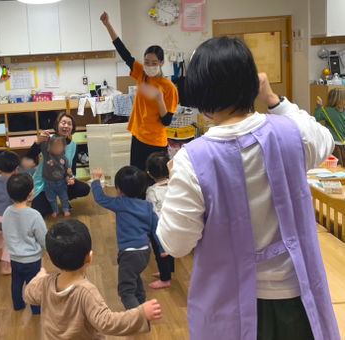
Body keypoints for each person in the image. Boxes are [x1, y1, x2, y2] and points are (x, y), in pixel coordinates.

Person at [156, 37, 341, 340]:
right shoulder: (293, 134)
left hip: (231, 308)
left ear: (201, 93)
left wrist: (171, 184)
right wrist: (273, 99)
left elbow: (175, 244)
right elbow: (325, 142)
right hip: (299, 299)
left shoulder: (193, 159)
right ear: (252, 82)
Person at [24, 219, 162, 340]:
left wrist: (39, 277)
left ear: (50, 258)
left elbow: (29, 295)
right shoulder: (86, 292)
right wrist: (141, 314)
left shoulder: (45, 283)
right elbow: (107, 322)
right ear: (89, 258)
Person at [100, 12, 178, 171]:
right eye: (147, 62)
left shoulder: (169, 87)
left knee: (157, 181)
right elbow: (124, 53)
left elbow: (167, 121)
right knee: (137, 179)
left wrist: (159, 100)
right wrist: (108, 25)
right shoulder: (142, 74)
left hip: (156, 142)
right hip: (138, 137)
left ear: (162, 63)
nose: (150, 66)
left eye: (154, 62)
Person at [91, 167, 163, 310]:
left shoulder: (120, 203)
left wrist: (96, 180)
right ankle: (142, 305)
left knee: (125, 291)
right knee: (135, 278)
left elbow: (101, 198)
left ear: (118, 189)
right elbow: (157, 230)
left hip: (129, 254)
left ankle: (138, 317)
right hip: (144, 253)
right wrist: (163, 249)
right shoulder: (147, 206)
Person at [23, 112, 90, 216]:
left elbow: (71, 169)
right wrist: (38, 142)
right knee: (41, 211)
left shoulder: (73, 146)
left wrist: (71, 178)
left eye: (69, 124)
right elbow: (30, 156)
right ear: (57, 124)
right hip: (44, 183)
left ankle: (64, 199)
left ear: (72, 128)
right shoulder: (48, 139)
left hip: (62, 182)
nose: (66, 126)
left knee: (84, 188)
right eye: (63, 123)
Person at [2, 173, 47, 314]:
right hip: (32, 259)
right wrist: (49, 249)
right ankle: (36, 309)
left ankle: (18, 305)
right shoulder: (34, 215)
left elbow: (6, 231)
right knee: (34, 284)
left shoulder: (7, 212)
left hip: (15, 258)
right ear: (30, 193)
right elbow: (43, 237)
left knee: (16, 283)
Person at [145, 152, 174, 289]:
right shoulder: (173, 184)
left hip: (159, 227)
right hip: (173, 223)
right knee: (171, 250)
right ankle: (170, 271)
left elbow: (151, 212)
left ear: (150, 174)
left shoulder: (152, 191)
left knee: (160, 253)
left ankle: (165, 278)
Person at [40, 134, 75, 218]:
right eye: (53, 146)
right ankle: (55, 210)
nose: (55, 148)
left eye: (58, 146)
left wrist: (70, 178)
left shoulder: (64, 159)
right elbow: (43, 146)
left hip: (61, 182)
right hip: (49, 183)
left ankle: (65, 209)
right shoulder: (47, 155)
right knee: (51, 198)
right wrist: (45, 138)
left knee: (64, 197)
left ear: (63, 147)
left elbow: (68, 170)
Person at [314, 88, 345, 166]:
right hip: (334, 144)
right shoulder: (328, 111)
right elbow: (316, 118)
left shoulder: (330, 110)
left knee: (340, 166)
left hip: (341, 143)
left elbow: (316, 118)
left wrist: (319, 106)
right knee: (339, 166)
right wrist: (319, 106)